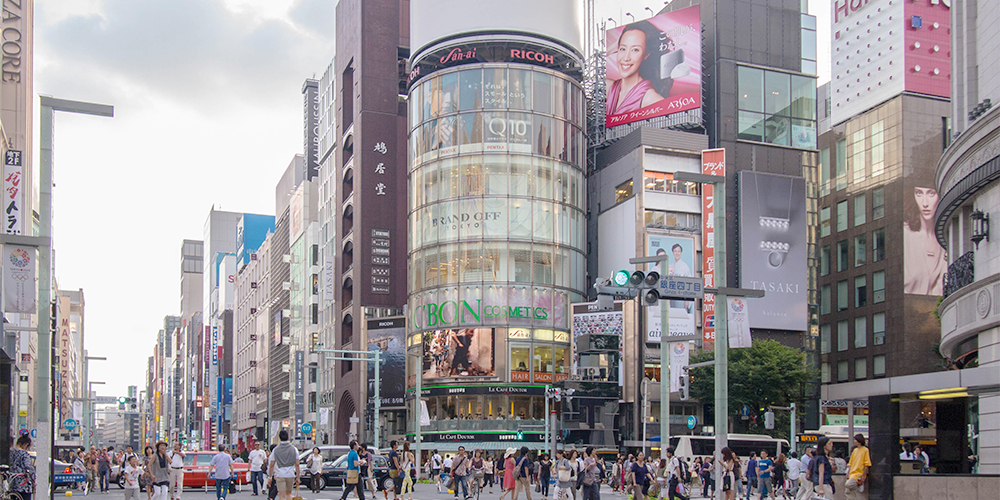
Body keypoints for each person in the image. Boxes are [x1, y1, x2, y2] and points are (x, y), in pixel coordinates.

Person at [606, 21, 669, 116]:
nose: (626, 58)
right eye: (622, 49)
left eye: (635, 50)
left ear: (646, 54)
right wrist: (609, 49)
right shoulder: (609, 87)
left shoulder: (650, 98)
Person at [903, 185, 947, 294]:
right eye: (919, 193)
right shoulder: (904, 235)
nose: (925, 203)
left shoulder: (947, 239)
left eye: (931, 193)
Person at [268, 430, 300, 500]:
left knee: (281, 495)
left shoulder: (275, 450)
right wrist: (298, 477)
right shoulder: (294, 449)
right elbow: (297, 464)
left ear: (279, 438)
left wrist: (270, 477)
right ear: (288, 437)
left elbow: (272, 465)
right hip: (290, 474)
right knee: (289, 493)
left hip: (280, 474)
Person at [7, 434, 35, 500]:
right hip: (23, 485)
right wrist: (33, 479)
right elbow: (29, 467)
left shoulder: (9, 453)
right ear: (25, 444)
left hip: (12, 485)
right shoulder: (24, 454)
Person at [844, 434, 871, 500]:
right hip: (852, 473)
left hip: (858, 474)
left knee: (848, 485)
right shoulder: (855, 450)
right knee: (848, 491)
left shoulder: (865, 450)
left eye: (855, 439)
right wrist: (848, 473)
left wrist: (863, 476)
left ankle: (859, 484)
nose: (854, 441)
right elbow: (850, 463)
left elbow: (866, 464)